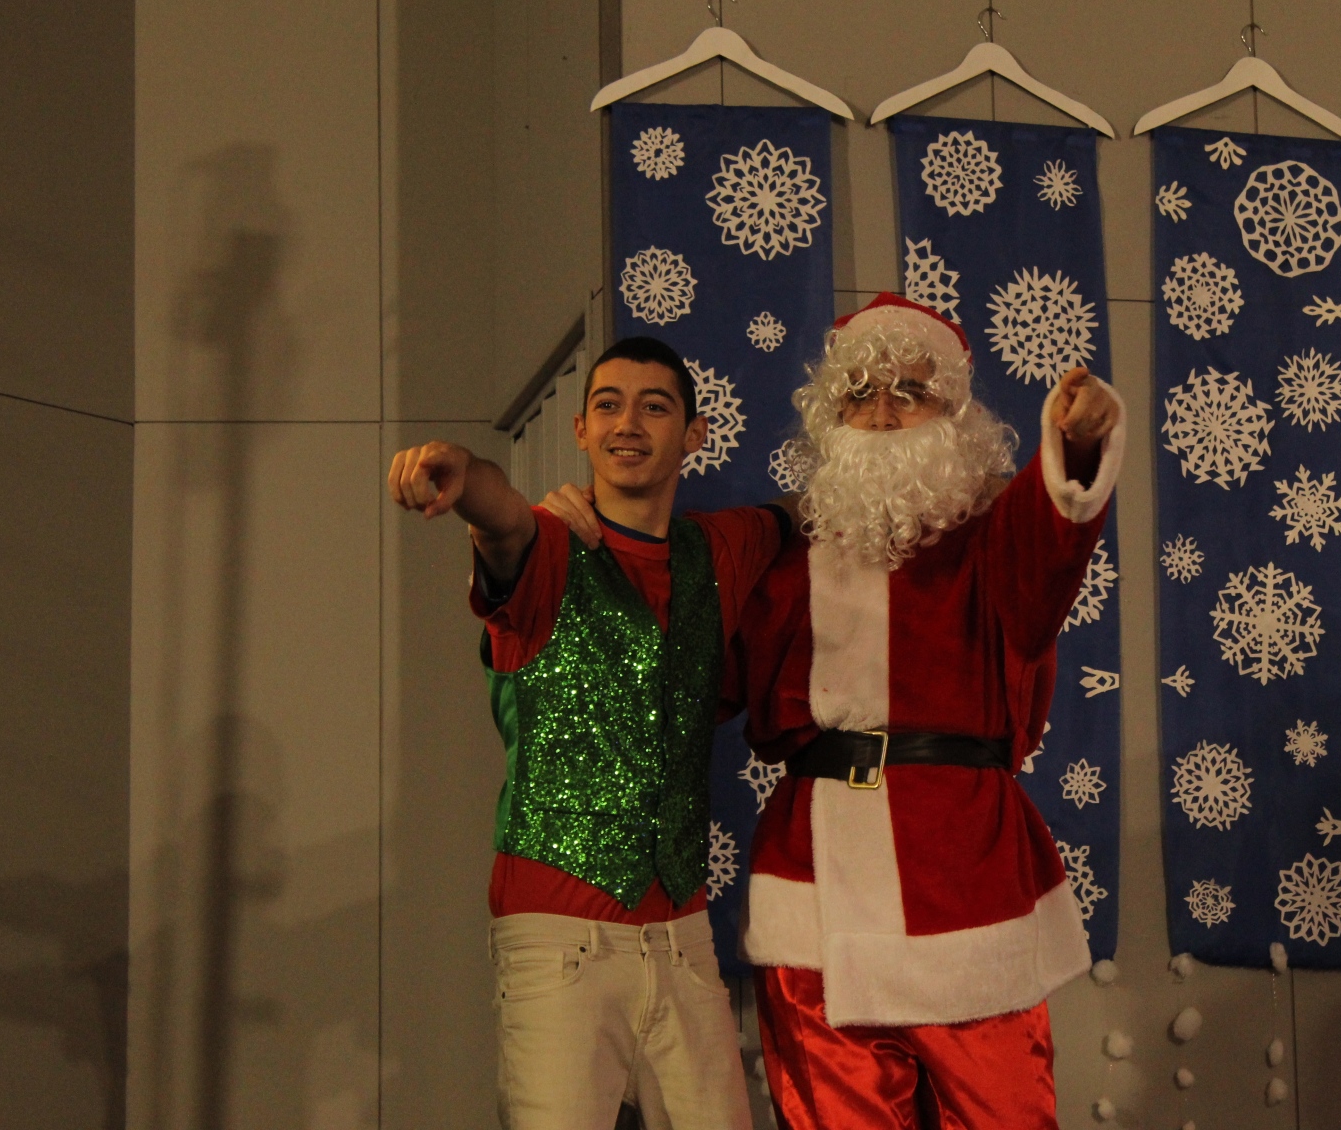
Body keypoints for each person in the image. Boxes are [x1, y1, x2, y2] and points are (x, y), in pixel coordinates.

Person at [732, 293, 1123, 1128]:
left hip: (965, 886)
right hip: (816, 893)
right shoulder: (782, 551)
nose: (881, 416)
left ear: (955, 416)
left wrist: (1081, 440)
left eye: (908, 392)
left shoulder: (994, 541)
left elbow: (1055, 525)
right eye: (860, 394)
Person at [388, 335, 784, 1130]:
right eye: (608, 405)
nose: (627, 423)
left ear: (695, 434)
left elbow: (801, 516)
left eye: (653, 406)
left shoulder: (724, 548)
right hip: (560, 944)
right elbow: (500, 519)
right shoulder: (547, 544)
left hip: (685, 941)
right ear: (580, 429)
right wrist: (464, 476)